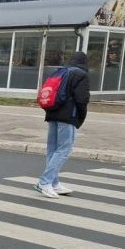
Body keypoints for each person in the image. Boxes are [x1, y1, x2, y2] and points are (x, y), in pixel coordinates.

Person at [35, 52, 90, 198]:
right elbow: (81, 100)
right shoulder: (81, 75)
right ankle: (44, 182)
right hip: (68, 116)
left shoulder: (61, 71)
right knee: (64, 149)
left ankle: (54, 183)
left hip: (52, 114)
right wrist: (81, 118)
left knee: (52, 150)